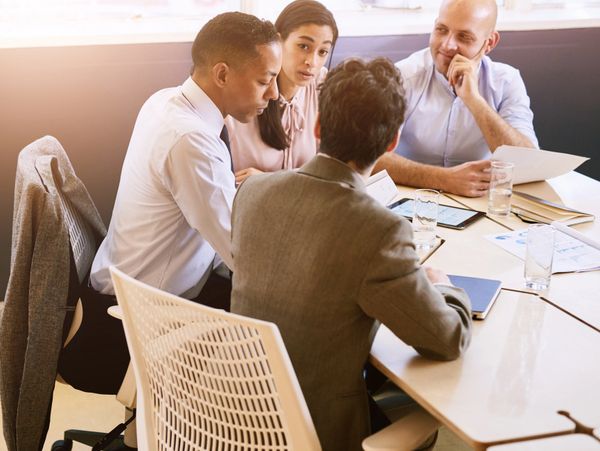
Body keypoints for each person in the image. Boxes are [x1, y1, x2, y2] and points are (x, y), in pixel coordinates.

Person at [230, 57, 472, 451]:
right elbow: (446, 340)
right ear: (392, 141)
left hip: (234, 412)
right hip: (316, 430)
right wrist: (446, 288)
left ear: (319, 126)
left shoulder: (253, 192)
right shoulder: (381, 230)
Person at [58, 12, 281, 395]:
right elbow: (243, 254)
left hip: (122, 298)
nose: (274, 94)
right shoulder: (190, 140)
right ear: (223, 75)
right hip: (131, 329)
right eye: (264, 80)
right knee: (280, 343)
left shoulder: (167, 102)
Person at [374, 0, 538, 198]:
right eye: (441, 30)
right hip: (411, 199)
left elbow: (528, 164)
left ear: (489, 43)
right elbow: (369, 158)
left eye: (464, 37)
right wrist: (444, 179)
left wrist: (474, 101)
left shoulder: (506, 81)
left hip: (482, 204)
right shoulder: (402, 77)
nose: (447, 44)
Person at [225, 0, 338, 184]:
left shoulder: (324, 86)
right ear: (278, 41)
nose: (312, 61)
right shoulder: (243, 91)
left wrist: (268, 180)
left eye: (323, 51)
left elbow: (333, 169)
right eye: (303, 46)